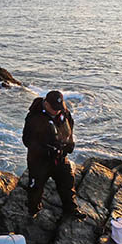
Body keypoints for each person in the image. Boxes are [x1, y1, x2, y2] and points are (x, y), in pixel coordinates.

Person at [21, 90, 84, 218]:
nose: (56, 111)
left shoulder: (64, 112)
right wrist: (47, 149)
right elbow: (27, 140)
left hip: (59, 157)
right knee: (36, 187)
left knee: (67, 182)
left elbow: (70, 128)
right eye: (54, 108)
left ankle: (71, 209)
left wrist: (70, 144)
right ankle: (33, 210)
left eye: (59, 108)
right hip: (39, 160)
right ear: (46, 103)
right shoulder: (34, 117)